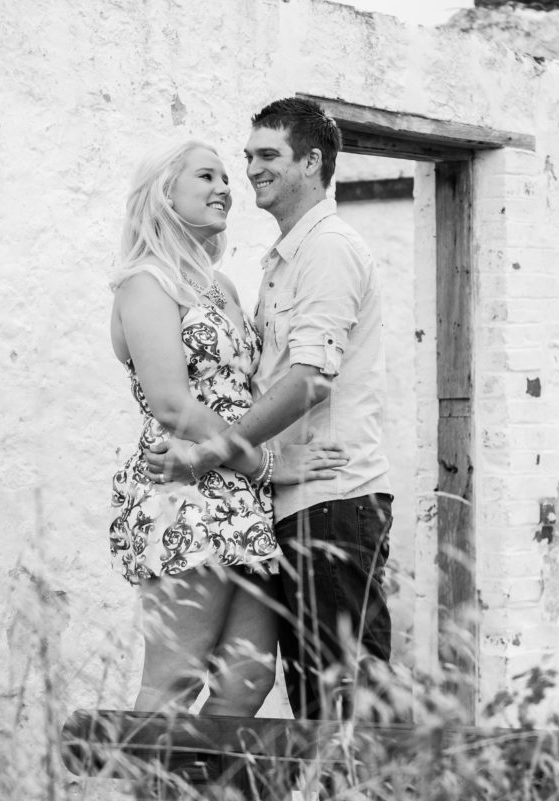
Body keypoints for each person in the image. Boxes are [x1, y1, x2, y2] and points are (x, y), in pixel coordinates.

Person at [144, 98, 394, 722]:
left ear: (312, 163)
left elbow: (309, 381)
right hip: (271, 500)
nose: (246, 171)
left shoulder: (328, 249)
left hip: (331, 498)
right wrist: (262, 466)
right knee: (310, 692)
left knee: (345, 696)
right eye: (244, 157)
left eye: (266, 157)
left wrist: (215, 453)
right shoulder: (275, 263)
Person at [109, 139, 344, 718]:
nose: (225, 188)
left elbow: (250, 387)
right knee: (176, 678)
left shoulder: (224, 287)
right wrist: (263, 462)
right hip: (184, 489)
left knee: (247, 680)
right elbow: (173, 406)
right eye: (206, 177)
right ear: (164, 194)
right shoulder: (145, 282)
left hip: (242, 494)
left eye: (225, 178)